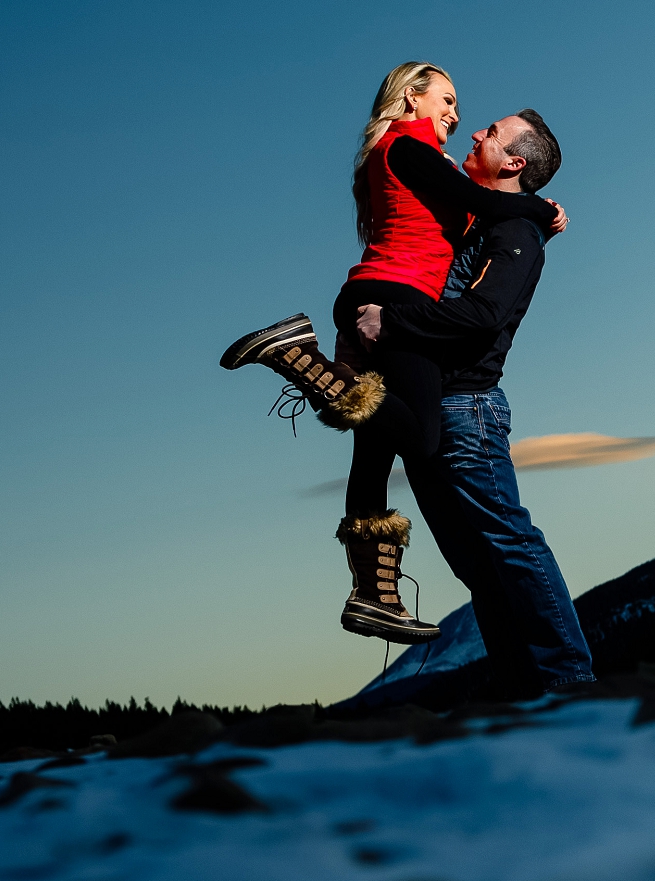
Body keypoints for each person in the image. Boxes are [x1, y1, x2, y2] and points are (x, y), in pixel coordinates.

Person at [216, 63, 565, 641]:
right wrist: (539, 208)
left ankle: (375, 594)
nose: (461, 117)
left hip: (378, 296)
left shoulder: (419, 155)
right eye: (447, 100)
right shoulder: (407, 145)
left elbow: (477, 208)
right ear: (411, 97)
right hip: (394, 299)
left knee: (373, 458)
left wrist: (529, 222)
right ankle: (296, 357)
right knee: (421, 436)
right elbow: (488, 204)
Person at [357, 110, 597, 695]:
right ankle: (523, 692)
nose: (475, 134)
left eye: (490, 133)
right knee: (478, 567)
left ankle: (571, 683)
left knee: (510, 544)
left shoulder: (513, 235)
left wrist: (393, 322)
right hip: (430, 412)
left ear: (514, 162)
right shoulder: (476, 220)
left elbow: (484, 315)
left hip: (468, 411)